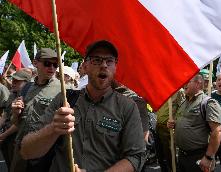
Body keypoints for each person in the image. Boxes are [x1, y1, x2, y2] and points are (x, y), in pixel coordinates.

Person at [20, 40, 146, 172]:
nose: (103, 65)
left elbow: (136, 157)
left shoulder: (128, 107)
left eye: (109, 61)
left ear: (115, 67)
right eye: (96, 60)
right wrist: (53, 129)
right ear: (85, 66)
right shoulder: (64, 100)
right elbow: (26, 151)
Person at [10, 48, 61, 172]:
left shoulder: (62, 90)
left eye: (55, 65)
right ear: (35, 63)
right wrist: (16, 113)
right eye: (47, 63)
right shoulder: (27, 87)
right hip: (21, 149)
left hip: (43, 153)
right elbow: (16, 122)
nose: (52, 68)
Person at [167, 74, 221, 172]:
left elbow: (217, 131)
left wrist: (208, 157)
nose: (184, 84)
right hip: (182, 155)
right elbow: (189, 122)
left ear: (198, 83)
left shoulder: (208, 103)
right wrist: (174, 124)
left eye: (188, 81)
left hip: (198, 156)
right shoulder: (184, 102)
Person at [0, 69, 32, 171]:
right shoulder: (13, 94)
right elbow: (5, 115)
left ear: (26, 83)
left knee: (17, 166)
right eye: (13, 80)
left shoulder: (28, 97)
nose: (13, 83)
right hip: (7, 134)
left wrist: (3, 136)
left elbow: (20, 123)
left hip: (17, 136)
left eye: (17, 81)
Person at [155, 89, 184, 172]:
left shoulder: (178, 91)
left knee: (170, 159)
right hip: (158, 126)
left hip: (168, 129)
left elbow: (183, 109)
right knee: (160, 156)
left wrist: (175, 121)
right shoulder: (160, 89)